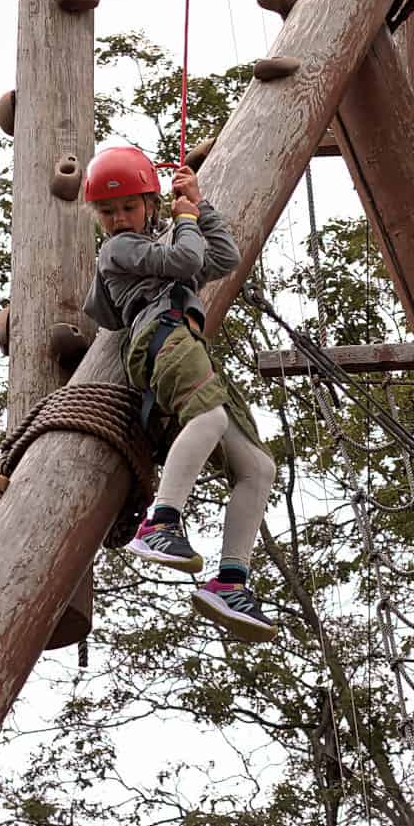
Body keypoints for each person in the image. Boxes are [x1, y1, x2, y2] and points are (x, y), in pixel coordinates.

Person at [81, 145, 278, 643]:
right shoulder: (118, 250)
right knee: (207, 420)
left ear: (149, 204)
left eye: (128, 207)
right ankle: (162, 522)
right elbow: (189, 256)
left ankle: (230, 580)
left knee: (258, 467)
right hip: (161, 338)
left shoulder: (161, 253)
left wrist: (199, 205)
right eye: (107, 212)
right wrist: (186, 217)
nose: (118, 218)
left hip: (186, 343)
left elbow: (224, 258)